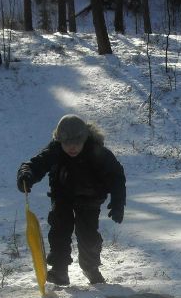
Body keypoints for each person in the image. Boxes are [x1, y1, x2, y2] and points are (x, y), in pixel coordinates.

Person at [16, 114, 126, 285]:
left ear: (85, 139)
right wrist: (26, 174)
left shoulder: (98, 152)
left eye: (77, 143)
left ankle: (91, 268)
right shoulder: (55, 150)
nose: (72, 148)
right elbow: (34, 164)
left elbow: (117, 176)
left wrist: (118, 203)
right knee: (59, 231)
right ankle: (60, 271)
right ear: (60, 140)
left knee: (88, 235)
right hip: (62, 197)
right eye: (67, 143)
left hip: (90, 199)